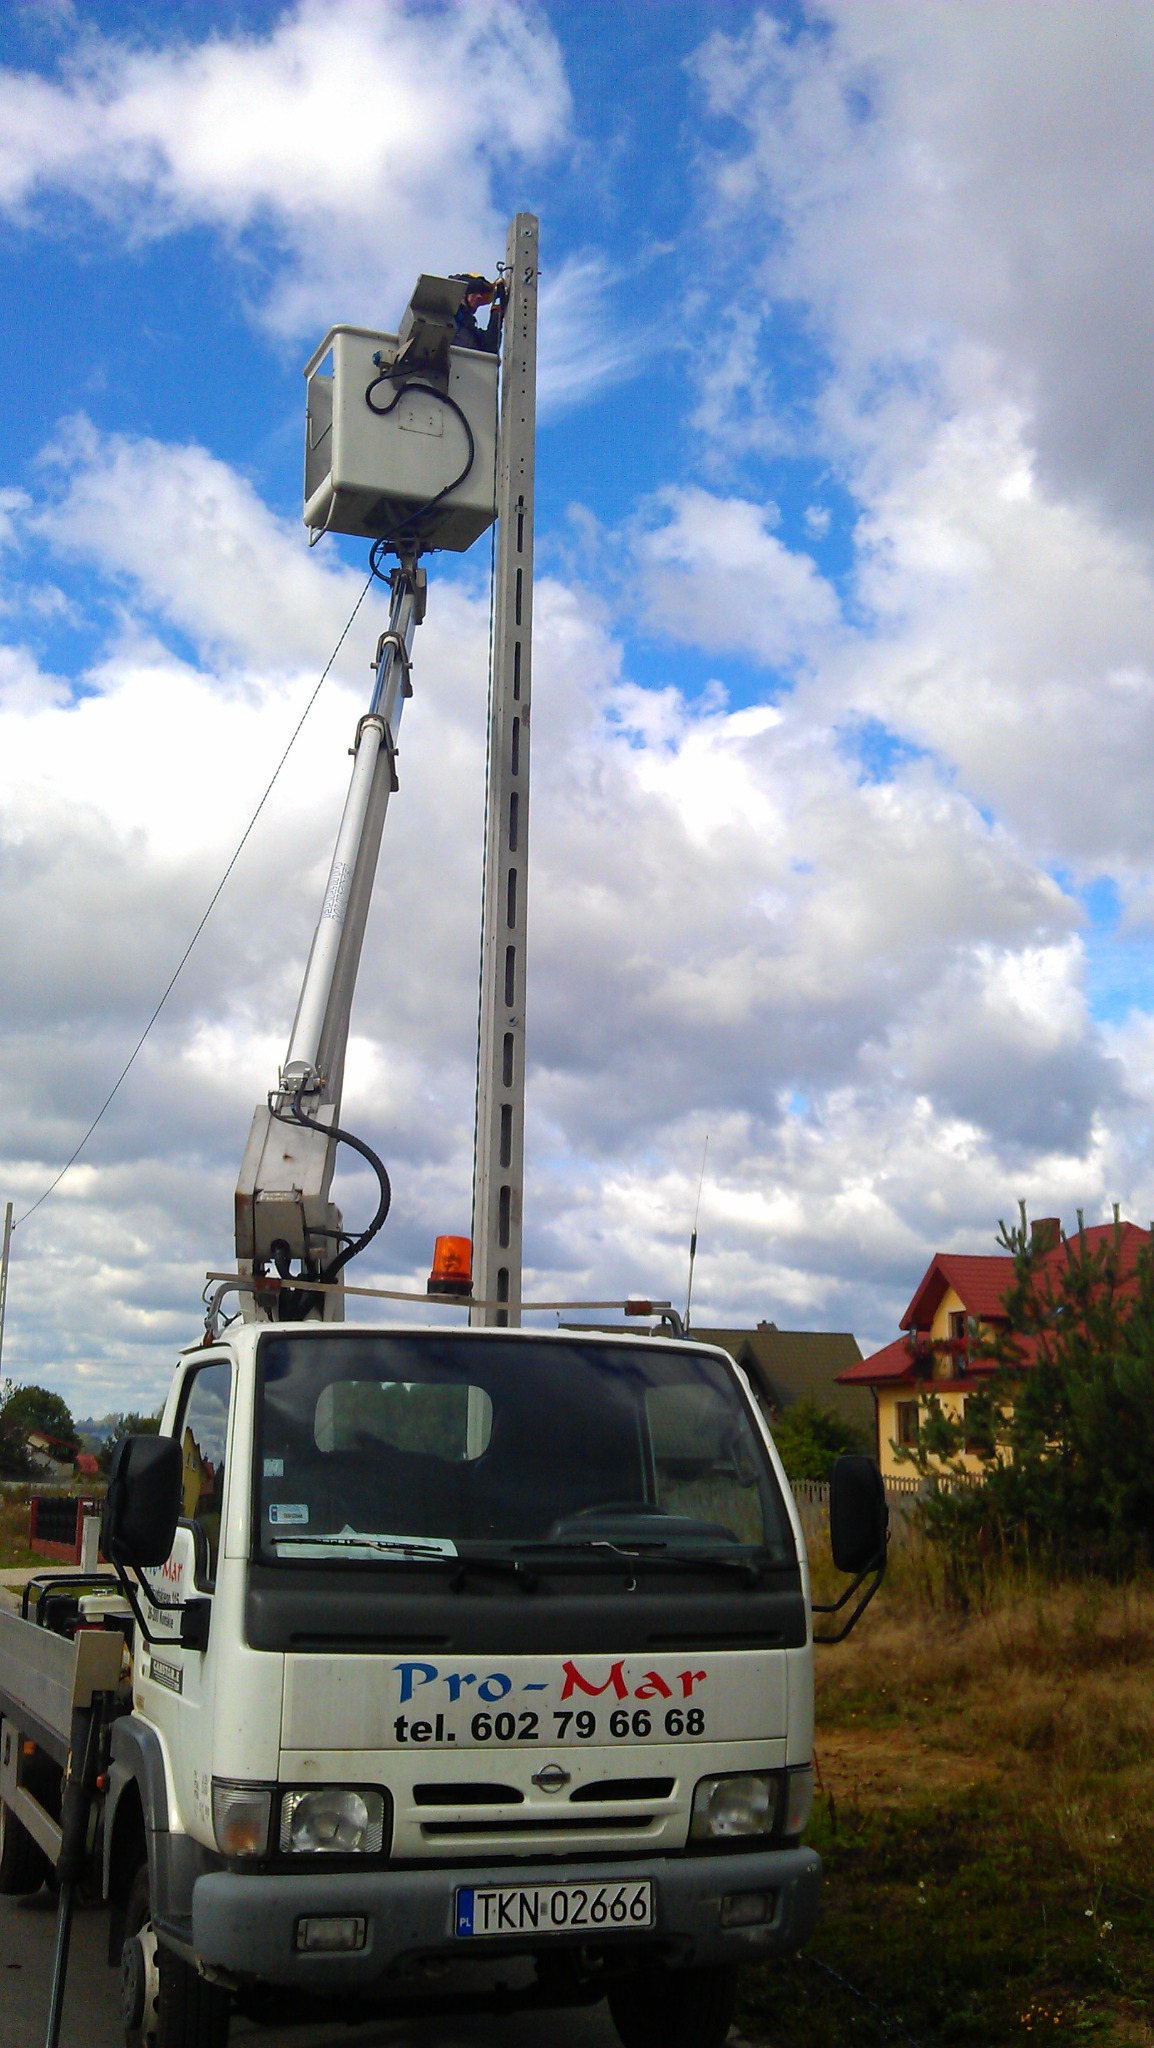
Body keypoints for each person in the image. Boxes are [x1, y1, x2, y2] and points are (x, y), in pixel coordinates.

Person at [451, 273, 507, 355]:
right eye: (474, 292)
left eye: (481, 293)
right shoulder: (447, 313)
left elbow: (490, 346)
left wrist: (496, 313)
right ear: (462, 294)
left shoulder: (471, 330)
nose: (479, 296)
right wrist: (488, 287)